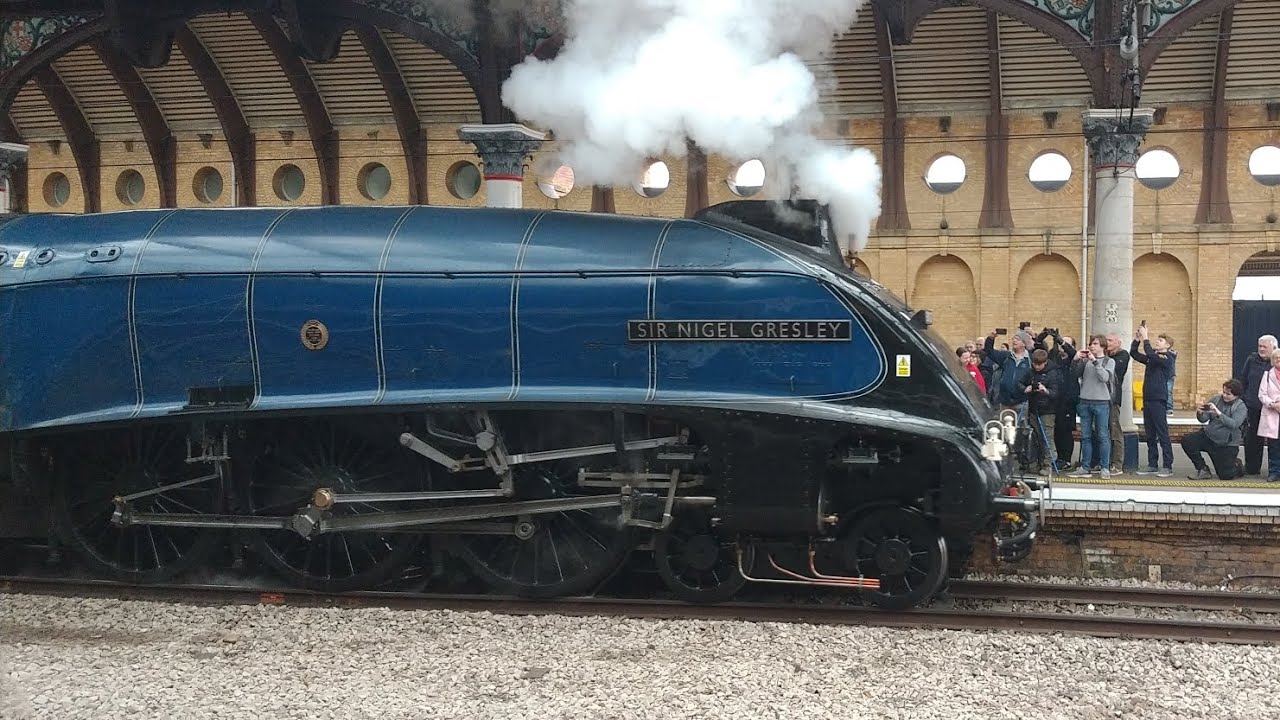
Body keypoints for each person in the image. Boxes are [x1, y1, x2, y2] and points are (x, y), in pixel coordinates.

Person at [1068, 335, 1115, 479]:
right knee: (1085, 436)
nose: (1091, 346)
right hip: (1085, 401)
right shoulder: (1085, 361)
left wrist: (1095, 362)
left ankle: (1105, 467)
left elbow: (1105, 378)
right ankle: (1085, 466)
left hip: (1101, 402)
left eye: (1095, 344)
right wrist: (1075, 360)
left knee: (1103, 435)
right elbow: (1073, 374)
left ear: (1102, 346)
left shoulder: (1109, 361)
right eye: (1090, 344)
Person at [1182, 379, 1248, 481]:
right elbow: (1203, 419)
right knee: (1188, 440)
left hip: (1226, 444)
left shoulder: (1241, 407)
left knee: (1225, 475)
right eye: (1224, 392)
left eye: (1228, 394)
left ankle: (1236, 465)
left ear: (1236, 395)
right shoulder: (1216, 399)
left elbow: (1234, 424)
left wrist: (1218, 413)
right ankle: (1202, 468)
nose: (1224, 396)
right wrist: (1200, 412)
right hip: (1208, 436)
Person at [1130, 326, 1174, 478]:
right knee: (1150, 434)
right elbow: (1134, 354)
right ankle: (1152, 464)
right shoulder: (1153, 358)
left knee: (1162, 433)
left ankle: (1167, 465)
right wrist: (1137, 339)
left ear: (1167, 345)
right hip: (1148, 399)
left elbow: (1151, 354)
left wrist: (1146, 338)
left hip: (1158, 400)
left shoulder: (1167, 358)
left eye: (1161, 341)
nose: (1157, 342)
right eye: (1157, 340)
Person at [1017, 349, 1060, 475]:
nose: (1036, 367)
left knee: (1047, 438)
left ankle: (1048, 465)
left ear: (1045, 362)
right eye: (1034, 364)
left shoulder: (1053, 374)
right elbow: (1019, 383)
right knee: (1034, 438)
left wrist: (1045, 391)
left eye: (1039, 365)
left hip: (1047, 410)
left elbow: (1056, 393)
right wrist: (1026, 388)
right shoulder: (1030, 371)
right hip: (1033, 409)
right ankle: (1034, 463)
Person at [1240, 335, 1277, 477]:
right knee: (1251, 439)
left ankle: (1275, 470)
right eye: (1259, 346)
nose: (1261, 349)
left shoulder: (1277, 361)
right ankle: (1252, 468)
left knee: (1274, 441)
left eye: (1264, 347)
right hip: (1253, 406)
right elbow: (1243, 380)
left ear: (1273, 348)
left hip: (1273, 409)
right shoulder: (1251, 360)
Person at [984, 329, 1033, 410]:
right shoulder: (1006, 356)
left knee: (1021, 423)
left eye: (1017, 339)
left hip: (1022, 402)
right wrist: (990, 338)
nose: (1014, 340)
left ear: (1024, 343)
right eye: (1013, 338)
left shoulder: (1030, 359)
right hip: (1005, 402)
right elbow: (989, 352)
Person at [1257, 348, 1280, 483]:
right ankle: (1274, 471)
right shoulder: (1266, 375)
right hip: (1272, 414)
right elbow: (1262, 394)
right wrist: (1273, 404)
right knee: (1274, 446)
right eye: (1276, 358)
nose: (1278, 360)